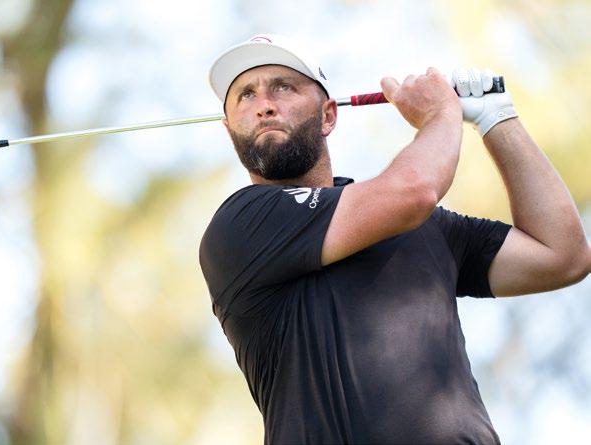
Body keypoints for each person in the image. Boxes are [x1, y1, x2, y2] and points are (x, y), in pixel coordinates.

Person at [199, 34, 590, 444]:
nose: (264, 104)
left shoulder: (424, 225)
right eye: (245, 95)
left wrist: (497, 117)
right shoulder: (240, 224)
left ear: (328, 116)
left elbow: (563, 256)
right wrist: (441, 114)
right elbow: (415, 190)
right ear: (230, 130)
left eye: (283, 87)